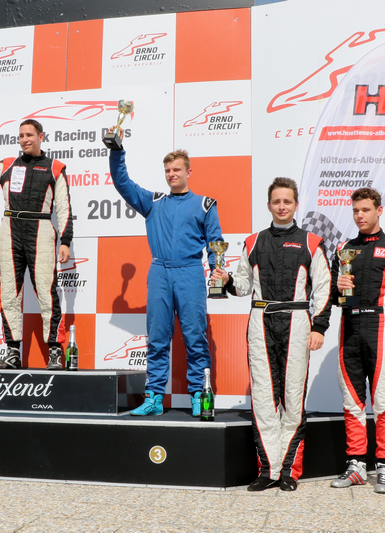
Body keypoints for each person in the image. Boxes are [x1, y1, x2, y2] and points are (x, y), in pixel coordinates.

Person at [210, 177, 332, 492]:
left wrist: (319, 326)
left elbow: (324, 288)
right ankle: (268, 470)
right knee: (264, 401)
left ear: (295, 205)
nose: (281, 206)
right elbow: (242, 287)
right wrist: (226, 280)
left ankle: (289, 470)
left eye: (287, 201)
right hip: (260, 321)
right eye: (276, 201)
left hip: (297, 321)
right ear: (268, 205)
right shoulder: (253, 242)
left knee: (292, 400)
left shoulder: (311, 242)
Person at [108, 129, 223, 417]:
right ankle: (154, 398)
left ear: (188, 172)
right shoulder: (153, 202)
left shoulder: (205, 204)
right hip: (159, 271)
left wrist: (217, 272)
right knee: (157, 338)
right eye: (168, 170)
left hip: (190, 272)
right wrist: (117, 151)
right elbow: (122, 183)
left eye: (176, 170)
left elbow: (215, 243)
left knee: (195, 337)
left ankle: (199, 396)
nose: (172, 174)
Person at [0, 117, 73, 370]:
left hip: (41, 229)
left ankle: (55, 351)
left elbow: (64, 208)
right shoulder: (8, 165)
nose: (24, 139)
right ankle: (12, 352)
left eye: (29, 135)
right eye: (21, 135)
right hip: (10, 228)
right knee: (9, 294)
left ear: (41, 137)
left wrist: (65, 240)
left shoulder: (55, 167)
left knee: (47, 293)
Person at [329, 187, 385, 494]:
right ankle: (356, 466)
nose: (359, 215)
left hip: (381, 325)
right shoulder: (343, 249)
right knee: (351, 401)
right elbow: (333, 298)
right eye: (355, 210)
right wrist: (338, 288)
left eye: (365, 210)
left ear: (379, 210)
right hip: (349, 326)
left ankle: (384, 467)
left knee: (382, 400)